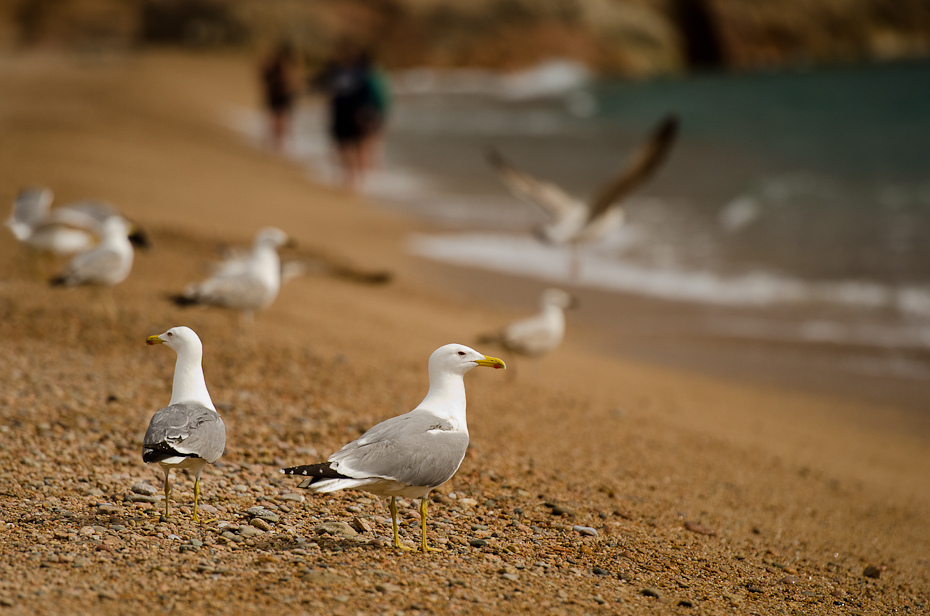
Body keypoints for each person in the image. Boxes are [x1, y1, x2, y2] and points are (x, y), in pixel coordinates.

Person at [311, 43, 388, 191]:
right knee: (344, 147)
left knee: (357, 147)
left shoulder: (362, 74)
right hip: (340, 116)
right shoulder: (335, 71)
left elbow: (371, 96)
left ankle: (358, 179)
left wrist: (369, 114)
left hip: (355, 117)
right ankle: (353, 178)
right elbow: (324, 87)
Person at [260, 42, 299, 152]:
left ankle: (278, 144)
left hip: (279, 94)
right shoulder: (279, 63)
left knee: (279, 119)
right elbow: (265, 76)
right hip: (278, 94)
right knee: (279, 119)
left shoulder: (277, 62)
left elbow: (264, 76)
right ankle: (278, 144)